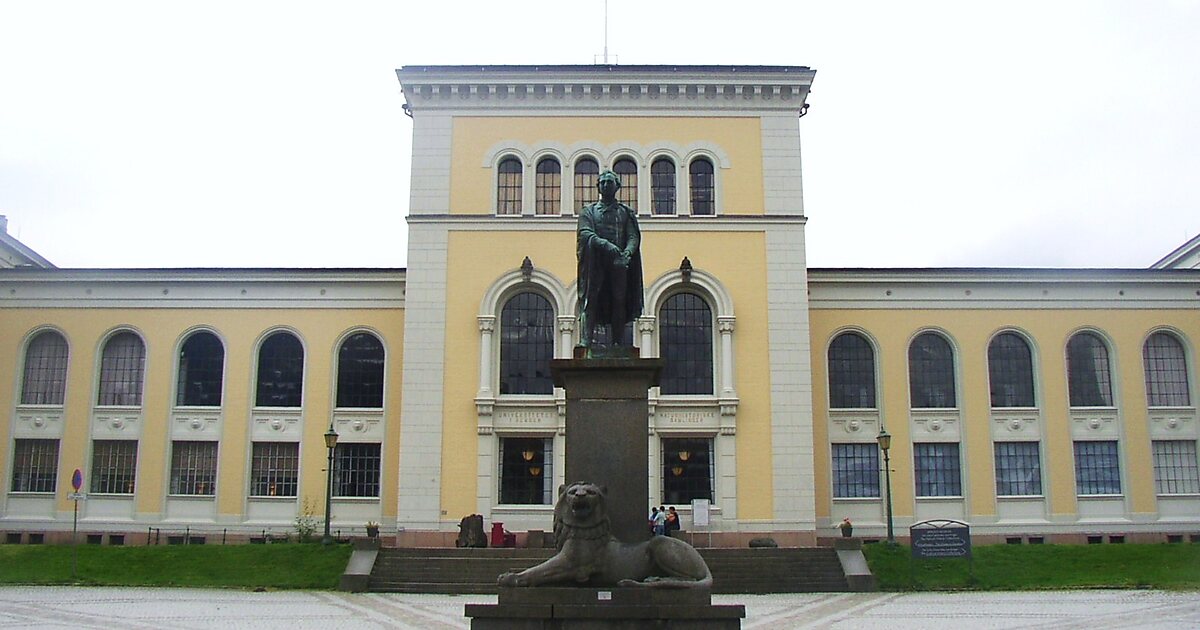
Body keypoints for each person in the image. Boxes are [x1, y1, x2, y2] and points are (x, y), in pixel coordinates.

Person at [576, 170, 643, 351]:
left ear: (617, 186)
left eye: (609, 182)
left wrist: (627, 253)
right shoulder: (588, 212)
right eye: (603, 183)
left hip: (618, 264)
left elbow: (633, 236)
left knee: (619, 300)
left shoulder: (625, 213)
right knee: (590, 299)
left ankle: (617, 342)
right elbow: (585, 233)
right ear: (598, 187)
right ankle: (586, 340)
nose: (606, 185)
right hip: (595, 264)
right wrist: (606, 245)